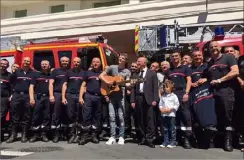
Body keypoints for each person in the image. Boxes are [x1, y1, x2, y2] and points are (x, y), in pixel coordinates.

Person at [203, 41, 239, 152]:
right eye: (211, 47)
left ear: (220, 47)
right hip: (214, 93)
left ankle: (228, 141)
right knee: (218, 116)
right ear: (209, 50)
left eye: (216, 46)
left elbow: (235, 71)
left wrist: (220, 80)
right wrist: (201, 80)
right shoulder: (210, 63)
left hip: (226, 91)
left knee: (228, 116)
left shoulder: (228, 58)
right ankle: (219, 140)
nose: (214, 48)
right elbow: (208, 78)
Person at [99, 53, 131, 145]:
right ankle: (112, 136)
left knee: (121, 117)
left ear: (126, 60)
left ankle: (121, 136)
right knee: (111, 116)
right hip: (111, 95)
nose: (120, 58)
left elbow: (128, 83)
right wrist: (108, 82)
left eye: (123, 58)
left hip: (121, 95)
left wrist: (129, 84)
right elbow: (101, 76)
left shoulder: (127, 71)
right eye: (120, 57)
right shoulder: (112, 67)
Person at [164, 52, 193, 149]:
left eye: (176, 56)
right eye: (172, 56)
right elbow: (166, 84)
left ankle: (186, 139)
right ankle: (175, 138)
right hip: (172, 95)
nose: (174, 58)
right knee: (174, 117)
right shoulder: (168, 71)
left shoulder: (185, 68)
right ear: (170, 59)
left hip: (182, 93)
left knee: (185, 116)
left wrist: (187, 93)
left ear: (180, 57)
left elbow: (189, 80)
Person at [190, 51, 217, 149]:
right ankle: (199, 141)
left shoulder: (207, 66)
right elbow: (187, 81)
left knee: (207, 117)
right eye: (195, 56)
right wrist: (191, 84)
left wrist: (205, 79)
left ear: (202, 56)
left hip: (207, 95)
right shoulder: (190, 69)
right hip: (194, 95)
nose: (197, 57)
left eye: (199, 55)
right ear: (192, 57)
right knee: (196, 117)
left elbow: (214, 77)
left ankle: (209, 141)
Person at [131, 57, 158, 148]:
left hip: (149, 99)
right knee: (140, 119)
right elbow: (133, 88)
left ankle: (150, 139)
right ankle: (143, 137)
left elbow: (155, 88)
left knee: (150, 119)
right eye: (137, 61)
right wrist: (132, 100)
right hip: (138, 98)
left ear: (144, 63)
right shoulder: (135, 74)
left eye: (139, 61)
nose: (137, 62)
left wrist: (155, 99)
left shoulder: (152, 73)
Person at [7, 57, 36, 143]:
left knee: (26, 116)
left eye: (28, 61)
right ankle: (13, 135)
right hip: (16, 95)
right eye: (25, 61)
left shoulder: (32, 73)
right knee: (14, 115)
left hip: (26, 96)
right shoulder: (16, 72)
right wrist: (11, 94)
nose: (26, 62)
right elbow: (10, 84)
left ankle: (24, 135)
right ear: (22, 62)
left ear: (30, 63)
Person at [78, 57, 102, 145]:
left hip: (99, 97)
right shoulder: (87, 73)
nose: (95, 63)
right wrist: (80, 97)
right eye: (94, 62)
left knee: (97, 116)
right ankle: (84, 135)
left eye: (97, 62)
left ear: (100, 63)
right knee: (86, 115)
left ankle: (94, 135)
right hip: (88, 96)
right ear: (92, 63)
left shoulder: (103, 73)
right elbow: (83, 85)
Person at [29, 60, 51, 143]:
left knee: (47, 116)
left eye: (46, 64)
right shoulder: (36, 74)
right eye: (42, 64)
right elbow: (31, 87)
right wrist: (31, 98)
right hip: (38, 97)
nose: (44, 65)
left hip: (48, 98)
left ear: (49, 66)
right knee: (36, 115)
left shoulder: (51, 75)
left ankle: (44, 134)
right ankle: (35, 134)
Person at [49, 56, 70, 143]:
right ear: (60, 62)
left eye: (66, 61)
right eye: (63, 61)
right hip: (57, 94)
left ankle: (64, 133)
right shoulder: (55, 71)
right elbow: (51, 83)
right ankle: (56, 134)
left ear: (69, 62)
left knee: (66, 114)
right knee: (56, 114)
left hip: (67, 95)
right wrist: (51, 95)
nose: (65, 62)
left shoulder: (70, 71)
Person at [159, 80, 179, 148]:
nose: (165, 88)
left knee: (172, 129)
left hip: (171, 115)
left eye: (166, 87)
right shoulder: (163, 96)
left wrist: (170, 109)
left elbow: (177, 104)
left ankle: (173, 142)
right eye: (164, 87)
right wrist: (161, 109)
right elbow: (160, 104)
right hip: (164, 115)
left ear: (171, 88)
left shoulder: (174, 96)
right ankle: (165, 141)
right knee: (165, 129)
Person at [0, 59, 11, 141]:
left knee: (2, 117)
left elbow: (12, 88)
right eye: (2, 63)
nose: (3, 65)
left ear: (7, 66)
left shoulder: (9, 76)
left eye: (5, 64)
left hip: (4, 99)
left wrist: (11, 96)